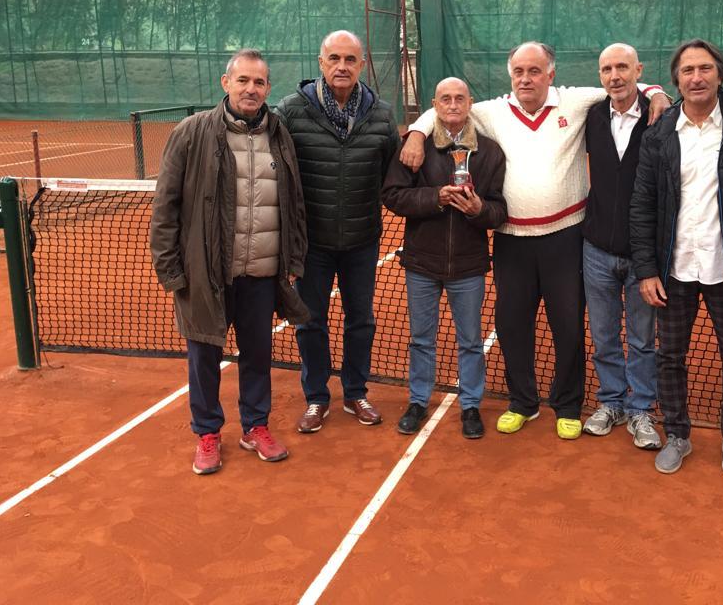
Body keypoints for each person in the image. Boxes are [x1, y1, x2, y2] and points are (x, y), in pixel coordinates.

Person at [401, 42, 668, 440]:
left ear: (551, 74)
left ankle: (567, 404)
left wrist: (657, 92)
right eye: (519, 72)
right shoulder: (492, 111)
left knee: (568, 327)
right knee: (512, 325)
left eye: (534, 71)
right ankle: (521, 402)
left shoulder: (576, 102)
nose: (526, 79)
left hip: (566, 237)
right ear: (511, 76)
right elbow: (447, 106)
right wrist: (418, 133)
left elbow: (628, 87)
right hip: (512, 240)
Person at [151, 48, 310, 475]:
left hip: (262, 272)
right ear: (226, 84)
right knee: (204, 356)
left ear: (267, 89)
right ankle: (207, 432)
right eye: (243, 80)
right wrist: (171, 270)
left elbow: (293, 203)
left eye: (259, 82)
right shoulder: (192, 132)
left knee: (257, 354)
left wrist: (293, 257)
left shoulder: (280, 135)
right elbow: (165, 205)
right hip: (207, 273)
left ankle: (255, 425)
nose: (251, 89)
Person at [630, 39, 723, 477]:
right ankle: (678, 434)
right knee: (670, 357)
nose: (696, 78)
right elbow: (642, 205)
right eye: (687, 71)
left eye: (705, 69)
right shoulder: (658, 135)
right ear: (676, 79)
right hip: (675, 268)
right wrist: (646, 269)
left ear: (720, 74)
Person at [276, 30, 401, 431]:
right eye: (334, 58)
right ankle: (316, 397)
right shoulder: (291, 111)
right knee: (309, 320)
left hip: (362, 240)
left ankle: (355, 392)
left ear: (361, 64)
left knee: (361, 319)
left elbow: (390, 174)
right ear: (321, 62)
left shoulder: (381, 114)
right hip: (311, 244)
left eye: (350, 59)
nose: (342, 66)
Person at [381, 78, 508, 438]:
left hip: (468, 266)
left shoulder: (491, 153)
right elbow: (392, 196)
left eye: (460, 98)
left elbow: (500, 211)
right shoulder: (413, 148)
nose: (453, 104)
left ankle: (470, 406)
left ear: (470, 104)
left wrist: (478, 208)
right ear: (434, 105)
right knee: (421, 338)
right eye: (445, 99)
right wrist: (436, 197)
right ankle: (418, 400)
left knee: (470, 340)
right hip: (422, 263)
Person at [580, 43, 665, 450]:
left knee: (642, 340)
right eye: (607, 69)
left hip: (643, 255)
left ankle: (641, 409)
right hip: (596, 249)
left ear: (638, 70)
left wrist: (657, 92)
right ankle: (611, 401)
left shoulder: (659, 115)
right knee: (604, 335)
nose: (614, 76)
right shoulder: (592, 114)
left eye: (622, 68)